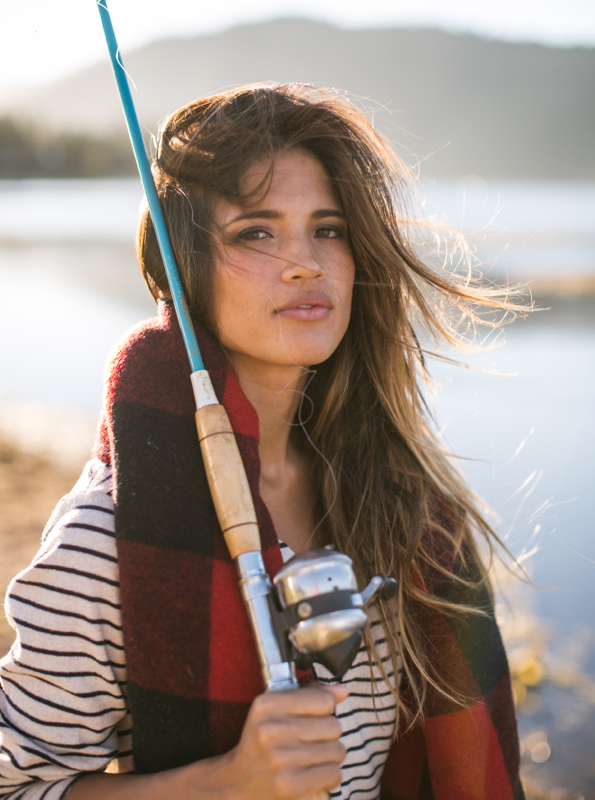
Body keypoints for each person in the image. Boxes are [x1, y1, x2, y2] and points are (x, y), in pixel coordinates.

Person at [0, 84, 525, 799]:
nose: (306, 262)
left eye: (328, 229)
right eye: (256, 232)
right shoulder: (100, 544)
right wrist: (226, 782)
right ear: (184, 271)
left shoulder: (401, 504)